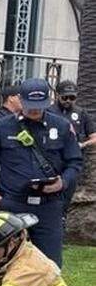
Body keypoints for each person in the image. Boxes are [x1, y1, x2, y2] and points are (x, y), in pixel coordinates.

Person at [0, 78, 83, 267]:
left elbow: (75, 162)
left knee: (50, 267)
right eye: (30, 105)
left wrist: (63, 182)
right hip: (13, 204)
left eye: (40, 105)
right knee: (7, 264)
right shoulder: (3, 127)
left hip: (49, 207)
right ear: (21, 100)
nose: (35, 110)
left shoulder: (61, 127)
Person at [47, 80, 95, 208]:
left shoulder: (81, 113)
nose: (68, 100)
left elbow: (94, 137)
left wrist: (82, 145)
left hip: (73, 161)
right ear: (57, 95)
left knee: (68, 193)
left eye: (72, 97)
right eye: (65, 97)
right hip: (53, 159)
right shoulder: (48, 112)